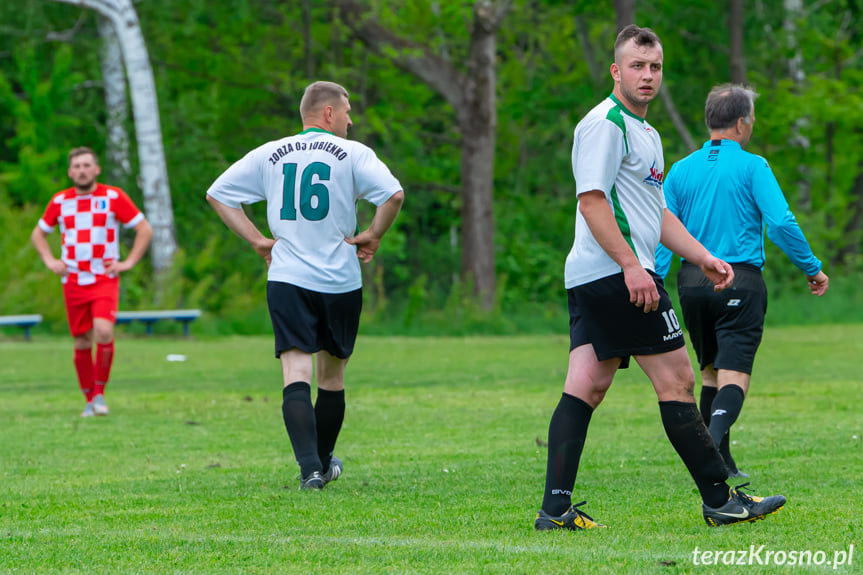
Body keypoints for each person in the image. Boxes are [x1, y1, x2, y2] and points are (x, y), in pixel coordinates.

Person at [535, 25, 786, 531]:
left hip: (602, 273)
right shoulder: (606, 124)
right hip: (617, 273)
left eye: (654, 68)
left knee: (586, 385)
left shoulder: (646, 132)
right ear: (616, 71)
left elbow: (659, 212)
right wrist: (633, 267)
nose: (647, 76)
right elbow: (592, 201)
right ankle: (720, 500)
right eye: (636, 66)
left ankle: (555, 511)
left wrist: (707, 256)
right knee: (678, 380)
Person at [206, 81, 404, 490]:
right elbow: (394, 196)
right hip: (340, 280)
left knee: (295, 371)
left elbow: (219, 194)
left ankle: (310, 469)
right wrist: (372, 233)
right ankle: (324, 461)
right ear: (329, 114)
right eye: (347, 111)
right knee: (331, 378)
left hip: (288, 277)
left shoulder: (270, 153)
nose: (351, 120)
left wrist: (258, 240)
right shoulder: (353, 153)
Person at [654, 84, 829, 478]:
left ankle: (726, 464)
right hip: (740, 280)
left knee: (710, 373)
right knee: (735, 376)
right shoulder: (754, 166)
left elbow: (662, 230)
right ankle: (712, 454)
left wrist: (655, 278)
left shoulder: (680, 170)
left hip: (692, 282)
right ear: (741, 123)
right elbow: (781, 222)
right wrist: (811, 267)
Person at [31, 147, 153, 417]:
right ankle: (89, 399)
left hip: (103, 278)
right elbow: (38, 234)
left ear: (96, 169)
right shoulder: (60, 201)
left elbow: (144, 229)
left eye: (87, 165)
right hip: (73, 280)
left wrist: (128, 262)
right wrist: (51, 261)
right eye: (77, 166)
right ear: (70, 172)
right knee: (82, 341)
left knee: (104, 331)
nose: (82, 170)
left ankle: (100, 394)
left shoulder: (113, 196)